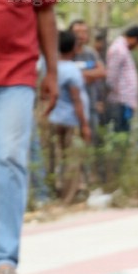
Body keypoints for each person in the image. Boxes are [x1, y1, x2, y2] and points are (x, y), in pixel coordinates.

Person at [0, 0, 58, 274]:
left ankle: (4, 259)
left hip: (17, 71)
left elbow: (46, 11)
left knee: (9, 158)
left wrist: (52, 69)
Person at [46, 28, 91, 201]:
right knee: (72, 160)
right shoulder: (72, 70)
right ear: (74, 47)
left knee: (58, 158)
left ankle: (56, 193)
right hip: (71, 121)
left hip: (55, 118)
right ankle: (68, 197)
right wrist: (85, 125)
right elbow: (76, 99)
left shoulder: (50, 68)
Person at [68, 19, 107, 139]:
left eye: (84, 32)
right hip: (69, 107)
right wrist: (89, 75)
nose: (81, 35)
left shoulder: (91, 53)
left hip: (91, 106)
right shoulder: (65, 53)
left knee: (91, 141)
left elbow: (102, 72)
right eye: (77, 32)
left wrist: (79, 75)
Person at [105, 24, 138, 133]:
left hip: (125, 101)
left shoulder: (123, 50)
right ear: (135, 39)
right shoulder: (118, 49)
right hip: (120, 100)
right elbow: (111, 76)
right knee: (120, 132)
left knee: (125, 132)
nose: (137, 47)